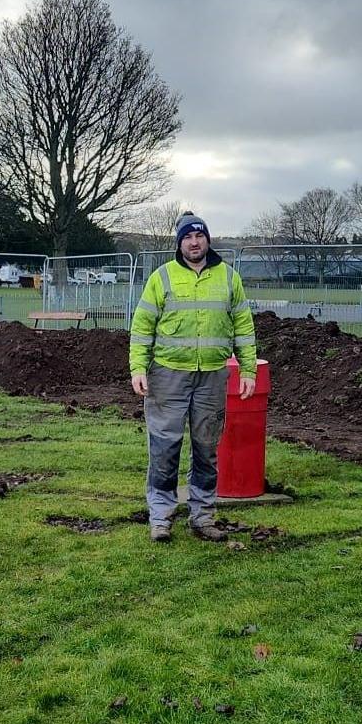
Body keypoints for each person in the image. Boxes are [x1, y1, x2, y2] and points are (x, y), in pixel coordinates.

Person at [129, 212, 257, 542]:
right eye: (187, 237)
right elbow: (142, 328)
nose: (194, 242)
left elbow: (243, 327)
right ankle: (161, 517)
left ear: (208, 240)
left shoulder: (229, 278)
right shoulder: (162, 277)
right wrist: (138, 368)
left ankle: (202, 516)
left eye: (199, 236)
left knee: (206, 449)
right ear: (179, 243)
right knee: (164, 449)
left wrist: (248, 369)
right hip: (167, 376)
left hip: (212, 377)